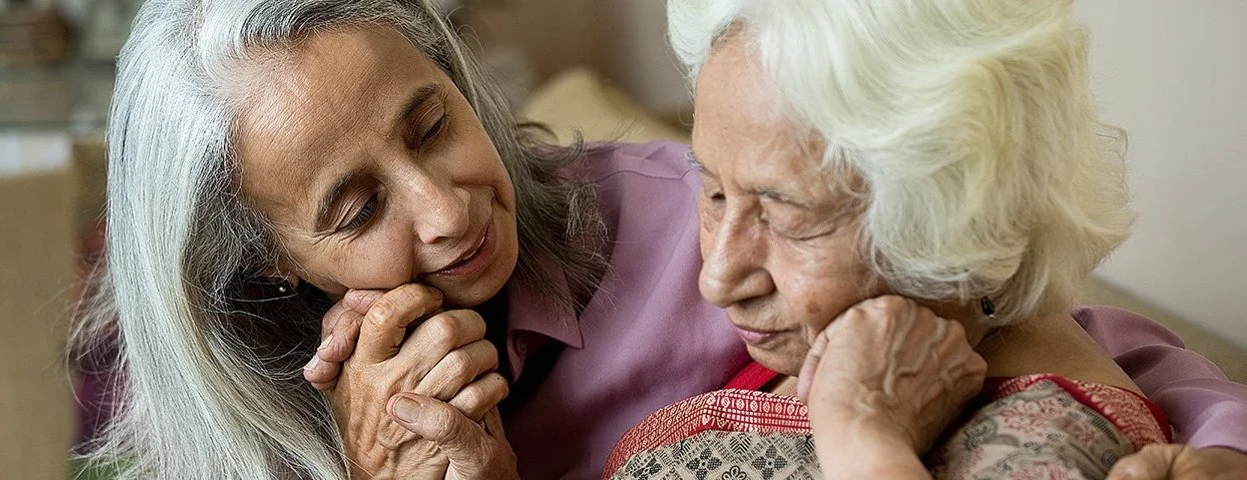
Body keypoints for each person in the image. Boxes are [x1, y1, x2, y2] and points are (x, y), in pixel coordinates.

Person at [77, 0, 1247, 478]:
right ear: (270, 262)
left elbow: (1045, 320)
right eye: (354, 209)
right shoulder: (264, 426)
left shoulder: (669, 207)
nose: (444, 209)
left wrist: (1222, 448)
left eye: (433, 123)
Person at [605, 0, 1214, 477]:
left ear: (960, 220)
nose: (717, 279)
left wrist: (862, 439)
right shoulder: (836, 335)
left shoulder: (1051, 450)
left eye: (787, 216)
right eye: (713, 193)